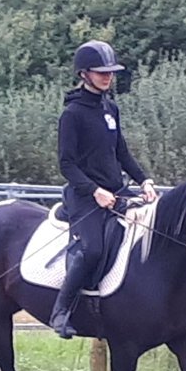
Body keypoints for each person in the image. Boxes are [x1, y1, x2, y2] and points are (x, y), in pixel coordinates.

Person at [49, 39, 158, 338]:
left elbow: (121, 153)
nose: (108, 77)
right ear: (84, 74)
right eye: (101, 72)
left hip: (116, 191)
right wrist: (94, 190)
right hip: (84, 196)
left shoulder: (111, 108)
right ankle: (61, 311)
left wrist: (144, 180)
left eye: (110, 72)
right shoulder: (72, 114)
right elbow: (67, 164)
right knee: (92, 250)